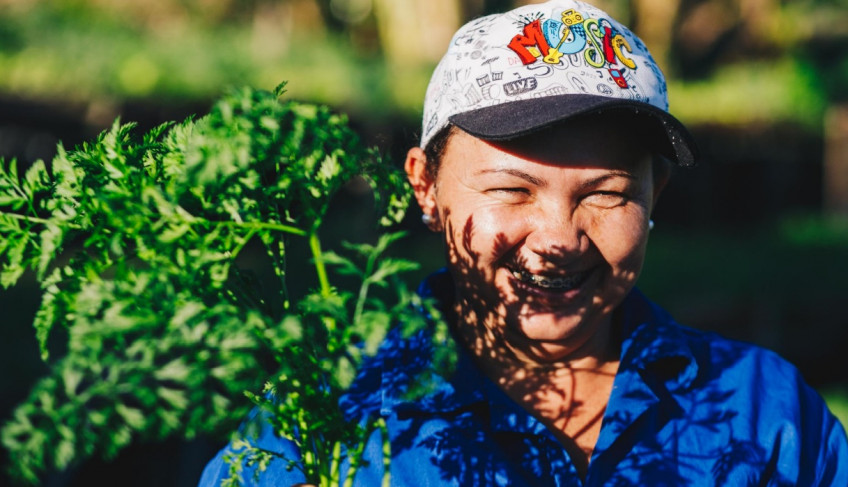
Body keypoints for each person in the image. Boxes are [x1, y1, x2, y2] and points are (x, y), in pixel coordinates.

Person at [199, 1, 848, 485]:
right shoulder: (324, 420)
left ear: (658, 195)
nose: (559, 239)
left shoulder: (771, 416)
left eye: (606, 192)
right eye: (512, 189)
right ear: (425, 186)